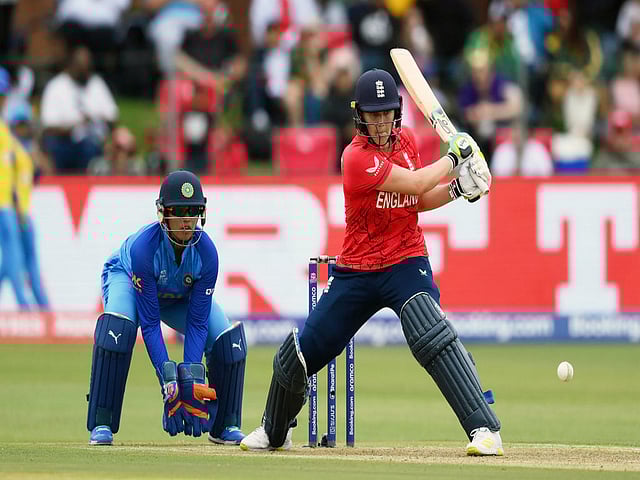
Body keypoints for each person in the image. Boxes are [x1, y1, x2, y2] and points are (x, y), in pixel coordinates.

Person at [240, 69, 503, 456]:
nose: (380, 122)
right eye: (373, 114)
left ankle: (484, 430)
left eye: (386, 113)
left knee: (430, 333)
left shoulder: (407, 141)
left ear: (396, 113)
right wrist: (455, 157)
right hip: (357, 268)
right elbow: (416, 183)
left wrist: (459, 188)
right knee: (299, 354)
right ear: (359, 115)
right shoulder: (355, 157)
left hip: (405, 259)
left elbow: (417, 200)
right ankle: (273, 430)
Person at [86, 170, 247, 446]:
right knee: (118, 331)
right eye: (179, 211)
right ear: (163, 213)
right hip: (128, 279)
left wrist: (191, 376)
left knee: (227, 340)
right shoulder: (144, 250)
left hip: (176, 296)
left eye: (193, 211)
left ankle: (224, 426)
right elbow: (149, 324)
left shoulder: (207, 254)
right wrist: (169, 381)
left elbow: (198, 323)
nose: (187, 220)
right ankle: (102, 422)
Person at [0, 68, 29, 309]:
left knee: (12, 255)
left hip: (7, 202)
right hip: (3, 204)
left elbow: (18, 164)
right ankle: (23, 305)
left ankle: (23, 303)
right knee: (13, 254)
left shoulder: (4, 128)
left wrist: (19, 201)